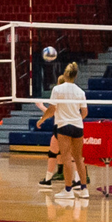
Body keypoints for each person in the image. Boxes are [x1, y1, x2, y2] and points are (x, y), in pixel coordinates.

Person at [38, 63, 90, 199]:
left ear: (65, 74)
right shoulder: (80, 91)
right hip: (78, 126)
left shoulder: (57, 89)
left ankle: (68, 190)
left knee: (66, 158)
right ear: (75, 76)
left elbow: (51, 110)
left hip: (64, 126)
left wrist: (42, 120)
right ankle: (84, 189)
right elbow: (85, 112)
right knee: (78, 158)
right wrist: (76, 119)